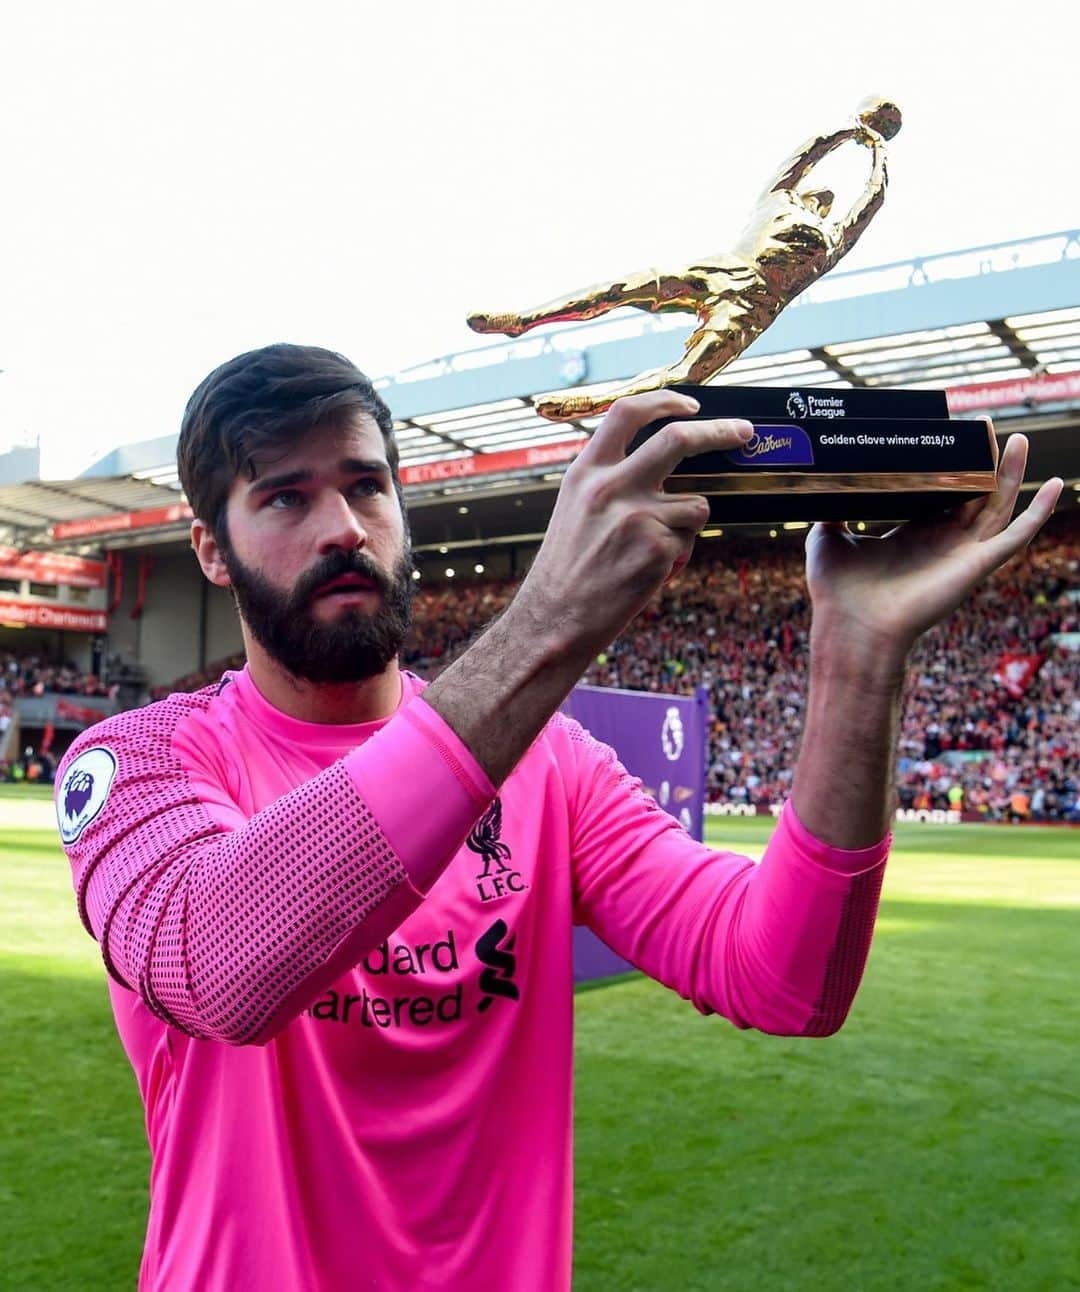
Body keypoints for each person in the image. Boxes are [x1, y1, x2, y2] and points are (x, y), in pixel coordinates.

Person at [54, 343, 1061, 1291]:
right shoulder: (137, 759)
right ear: (212, 550)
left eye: (366, 484)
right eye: (284, 495)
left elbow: (784, 975)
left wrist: (859, 656)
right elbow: (222, 964)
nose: (344, 527)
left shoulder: (553, 764)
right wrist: (550, 621)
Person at [467, 98, 900, 420]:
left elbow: (871, 201)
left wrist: (880, 152)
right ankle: (523, 319)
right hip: (724, 269)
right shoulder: (778, 200)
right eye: (818, 195)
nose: (824, 199)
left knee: (689, 376)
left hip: (756, 306)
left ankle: (597, 404)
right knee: (622, 288)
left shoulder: (832, 238)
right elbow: (804, 157)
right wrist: (850, 131)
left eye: (828, 201)